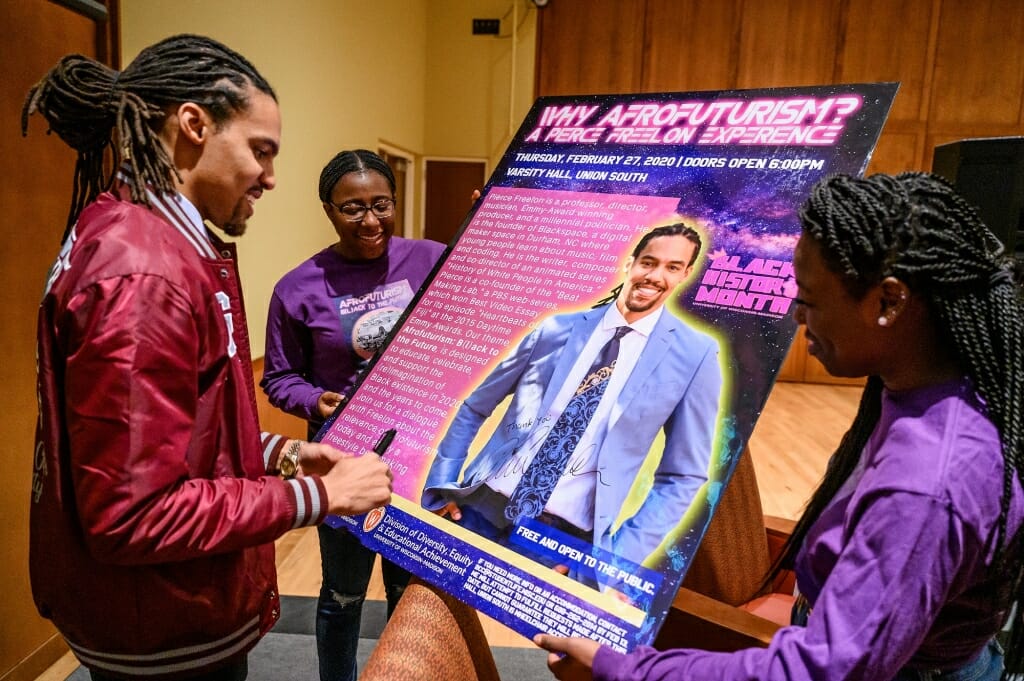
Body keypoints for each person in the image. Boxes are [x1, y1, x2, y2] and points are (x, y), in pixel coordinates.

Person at [535, 172, 1024, 680]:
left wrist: (623, 670)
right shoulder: (921, 386)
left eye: (810, 300)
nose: (795, 314)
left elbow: (821, 670)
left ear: (889, 301)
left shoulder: (928, 484)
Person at [24, 35, 394, 681]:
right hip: (162, 620)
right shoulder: (144, 271)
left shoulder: (133, 232)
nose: (271, 177)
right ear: (194, 125)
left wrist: (281, 454)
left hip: (162, 609)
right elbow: (133, 514)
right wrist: (319, 494)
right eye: (260, 151)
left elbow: (170, 431)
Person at [421, 223, 723, 584]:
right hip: (479, 507)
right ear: (630, 263)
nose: (655, 275)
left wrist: (614, 560)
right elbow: (475, 406)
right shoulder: (556, 329)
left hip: (560, 540)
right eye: (648, 261)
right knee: (430, 611)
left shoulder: (695, 355)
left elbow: (683, 475)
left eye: (672, 267)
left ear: (685, 275)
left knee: (543, 640)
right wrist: (443, 481)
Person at [261, 149, 445, 681]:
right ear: (328, 210)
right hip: (340, 459)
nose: (371, 220)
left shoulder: (432, 258)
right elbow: (278, 378)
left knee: (408, 592)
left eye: (381, 204)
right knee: (342, 593)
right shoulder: (298, 287)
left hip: (422, 454)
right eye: (353, 208)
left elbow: (488, 293)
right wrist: (314, 401)